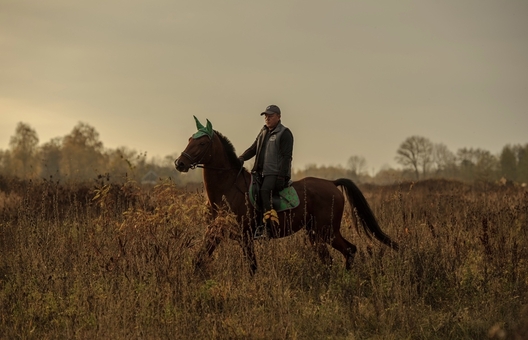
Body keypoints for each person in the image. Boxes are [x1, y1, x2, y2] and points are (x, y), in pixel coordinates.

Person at [238, 104, 294, 239]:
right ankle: (254, 224)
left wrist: (282, 177)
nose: (267, 119)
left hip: (275, 173)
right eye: (266, 116)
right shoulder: (263, 132)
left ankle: (268, 228)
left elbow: (287, 158)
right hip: (259, 172)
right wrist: (241, 158)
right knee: (251, 192)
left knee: (264, 191)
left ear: (279, 117)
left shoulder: (285, 133)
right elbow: (253, 149)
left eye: (271, 116)